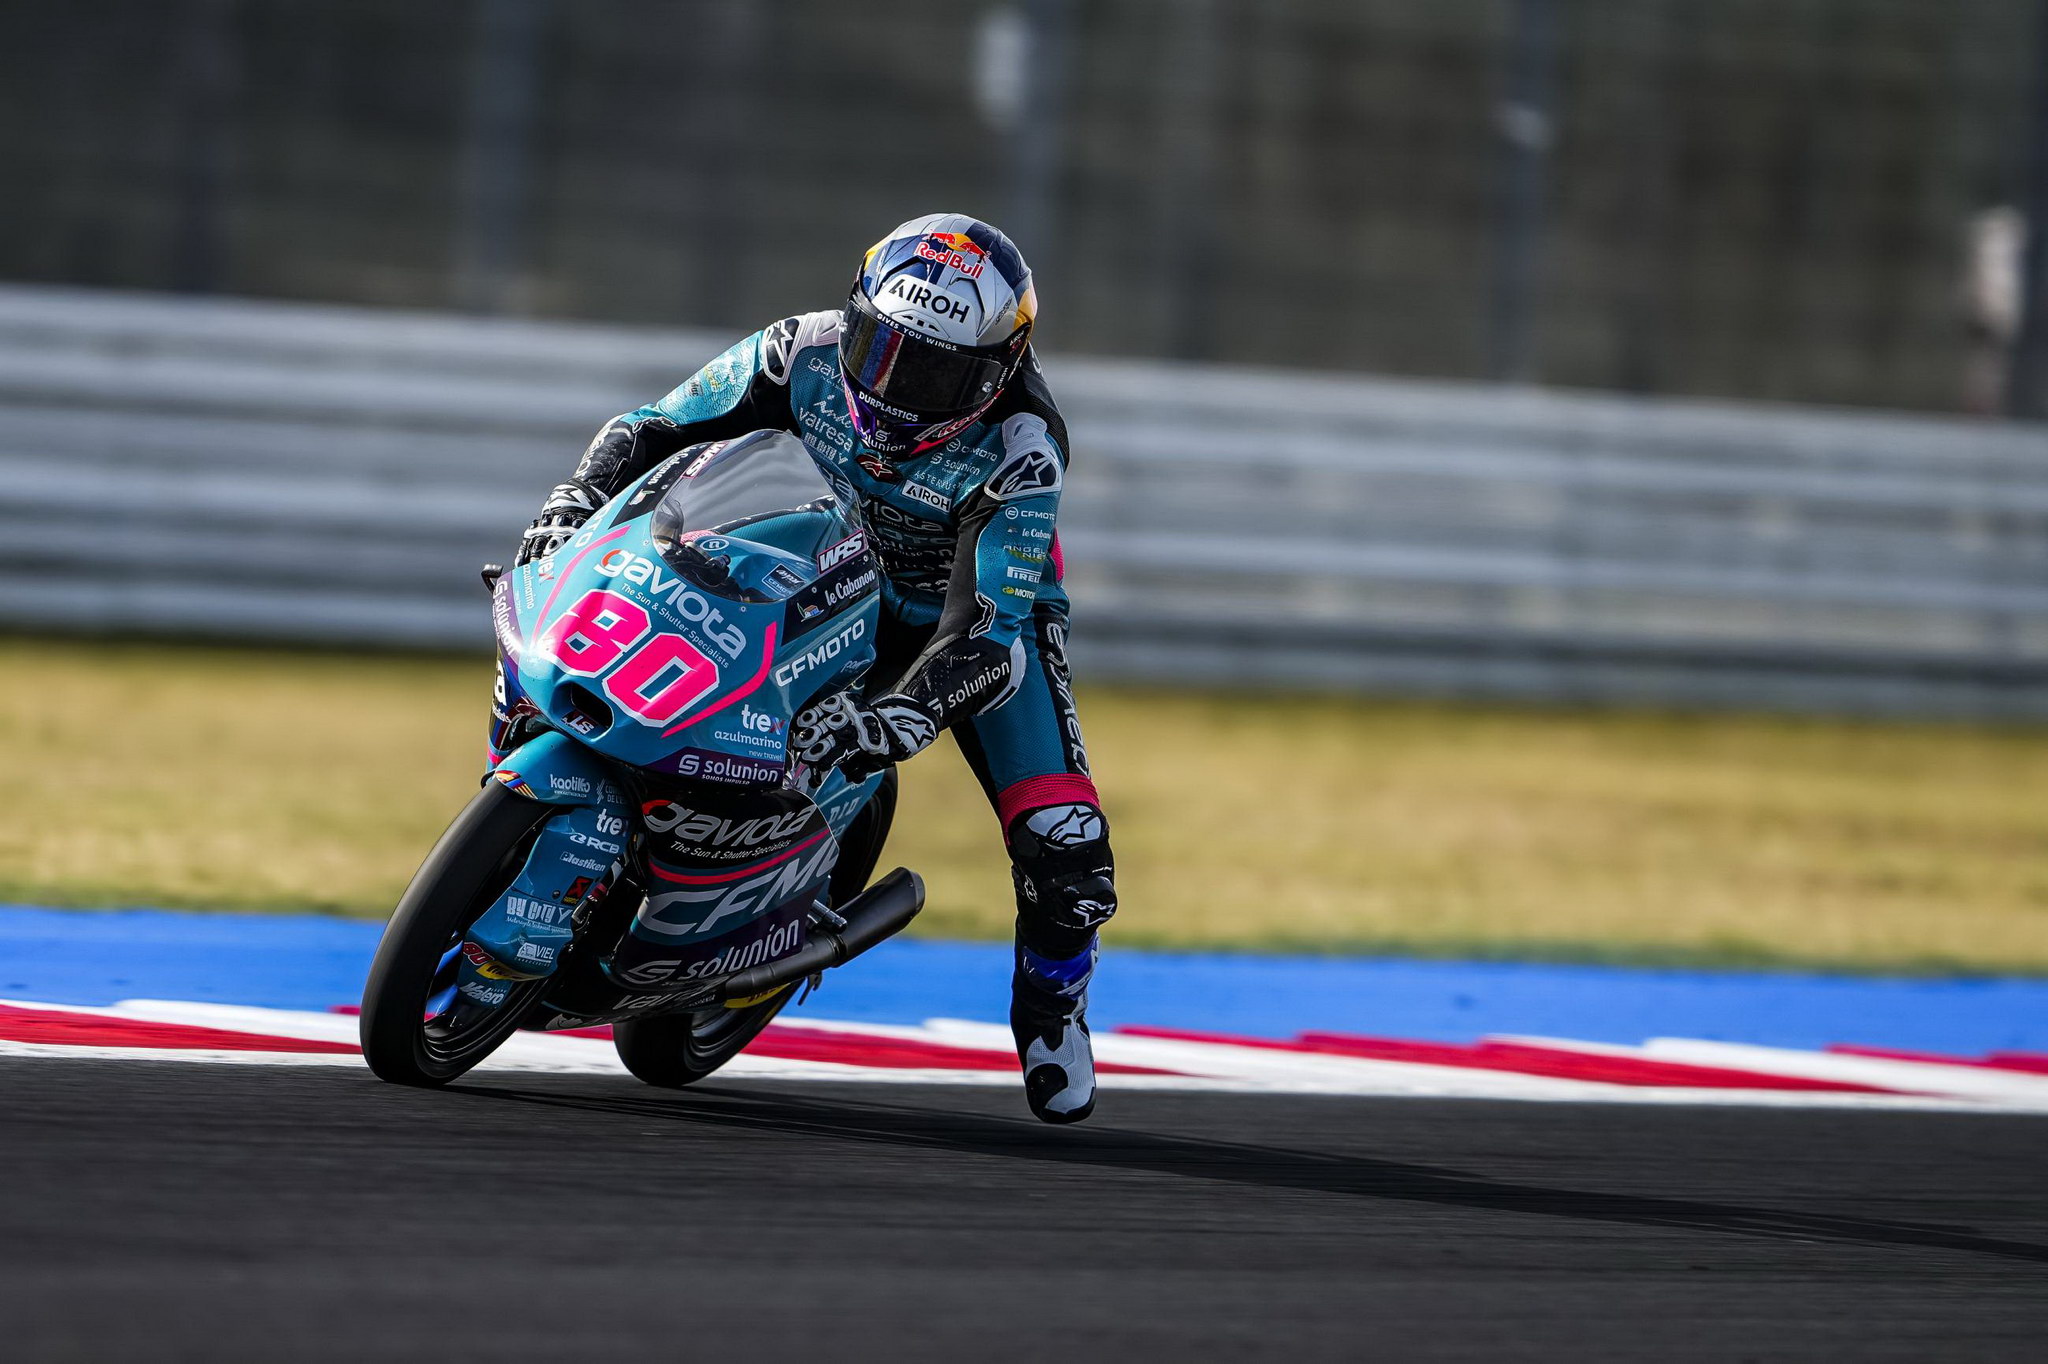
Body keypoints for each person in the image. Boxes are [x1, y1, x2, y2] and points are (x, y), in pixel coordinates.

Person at [514, 213, 1115, 1124]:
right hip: (819, 572)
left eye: (933, 373)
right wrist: (575, 502)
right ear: (855, 316)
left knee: (1067, 844)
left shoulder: (1023, 450)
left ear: (998, 372)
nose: (894, 387)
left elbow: (986, 634)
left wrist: (901, 717)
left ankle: (1053, 1010)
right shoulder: (799, 350)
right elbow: (650, 430)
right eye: (881, 350)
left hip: (962, 623)